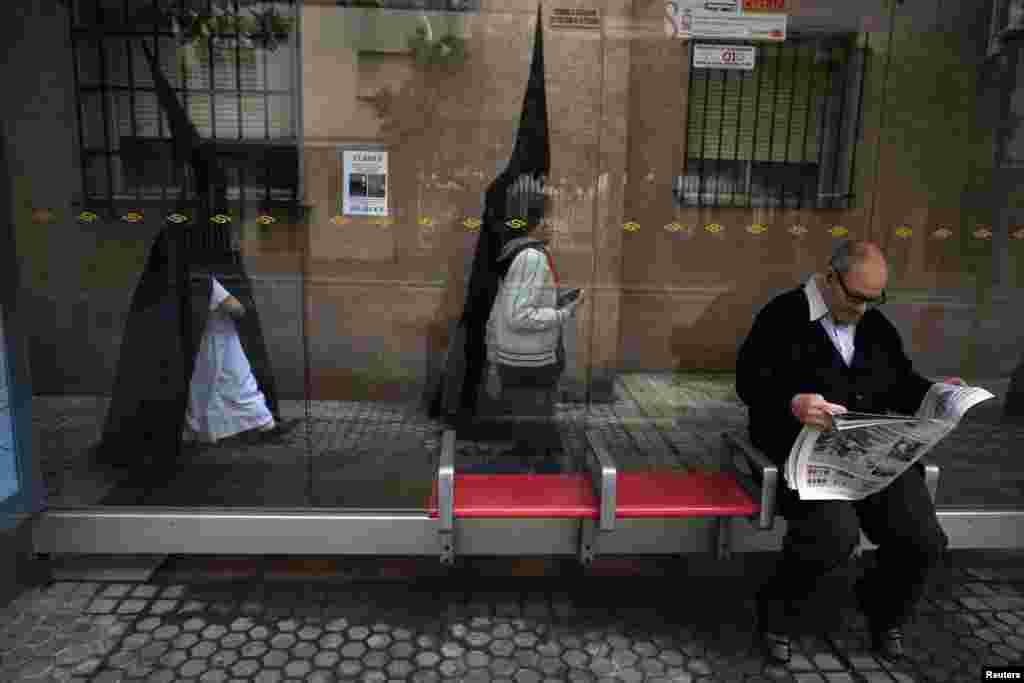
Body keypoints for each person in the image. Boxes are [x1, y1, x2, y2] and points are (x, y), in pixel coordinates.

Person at [736, 240, 964, 663]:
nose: (863, 308)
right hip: (803, 450)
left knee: (923, 538)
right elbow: (749, 383)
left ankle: (884, 612)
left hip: (870, 452)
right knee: (833, 534)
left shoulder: (876, 327)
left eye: (873, 300)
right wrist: (793, 403)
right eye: (857, 297)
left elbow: (902, 383)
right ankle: (778, 613)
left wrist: (938, 394)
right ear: (829, 277)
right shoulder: (783, 315)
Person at [484, 175, 583, 472]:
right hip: (531, 358)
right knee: (539, 429)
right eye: (547, 220)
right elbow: (520, 315)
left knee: (527, 424)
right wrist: (566, 312)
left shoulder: (515, 252)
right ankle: (539, 486)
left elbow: (511, 305)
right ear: (533, 223)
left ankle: (527, 466)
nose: (551, 225)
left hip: (515, 355)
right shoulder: (531, 257)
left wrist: (557, 299)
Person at [185, 275, 295, 445]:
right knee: (239, 382)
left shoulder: (190, 281)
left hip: (207, 341)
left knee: (225, 386)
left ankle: (264, 424)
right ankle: (264, 425)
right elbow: (236, 308)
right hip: (222, 340)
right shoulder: (208, 283)